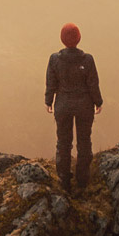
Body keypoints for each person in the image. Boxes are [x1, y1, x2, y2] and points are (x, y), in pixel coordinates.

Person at [45, 22, 103, 195]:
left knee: (63, 142)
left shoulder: (54, 59)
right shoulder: (88, 59)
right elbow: (93, 84)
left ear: (62, 39)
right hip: (84, 106)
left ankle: (63, 180)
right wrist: (98, 102)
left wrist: (49, 101)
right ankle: (83, 180)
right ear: (79, 39)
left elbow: (51, 82)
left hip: (63, 105)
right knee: (84, 142)